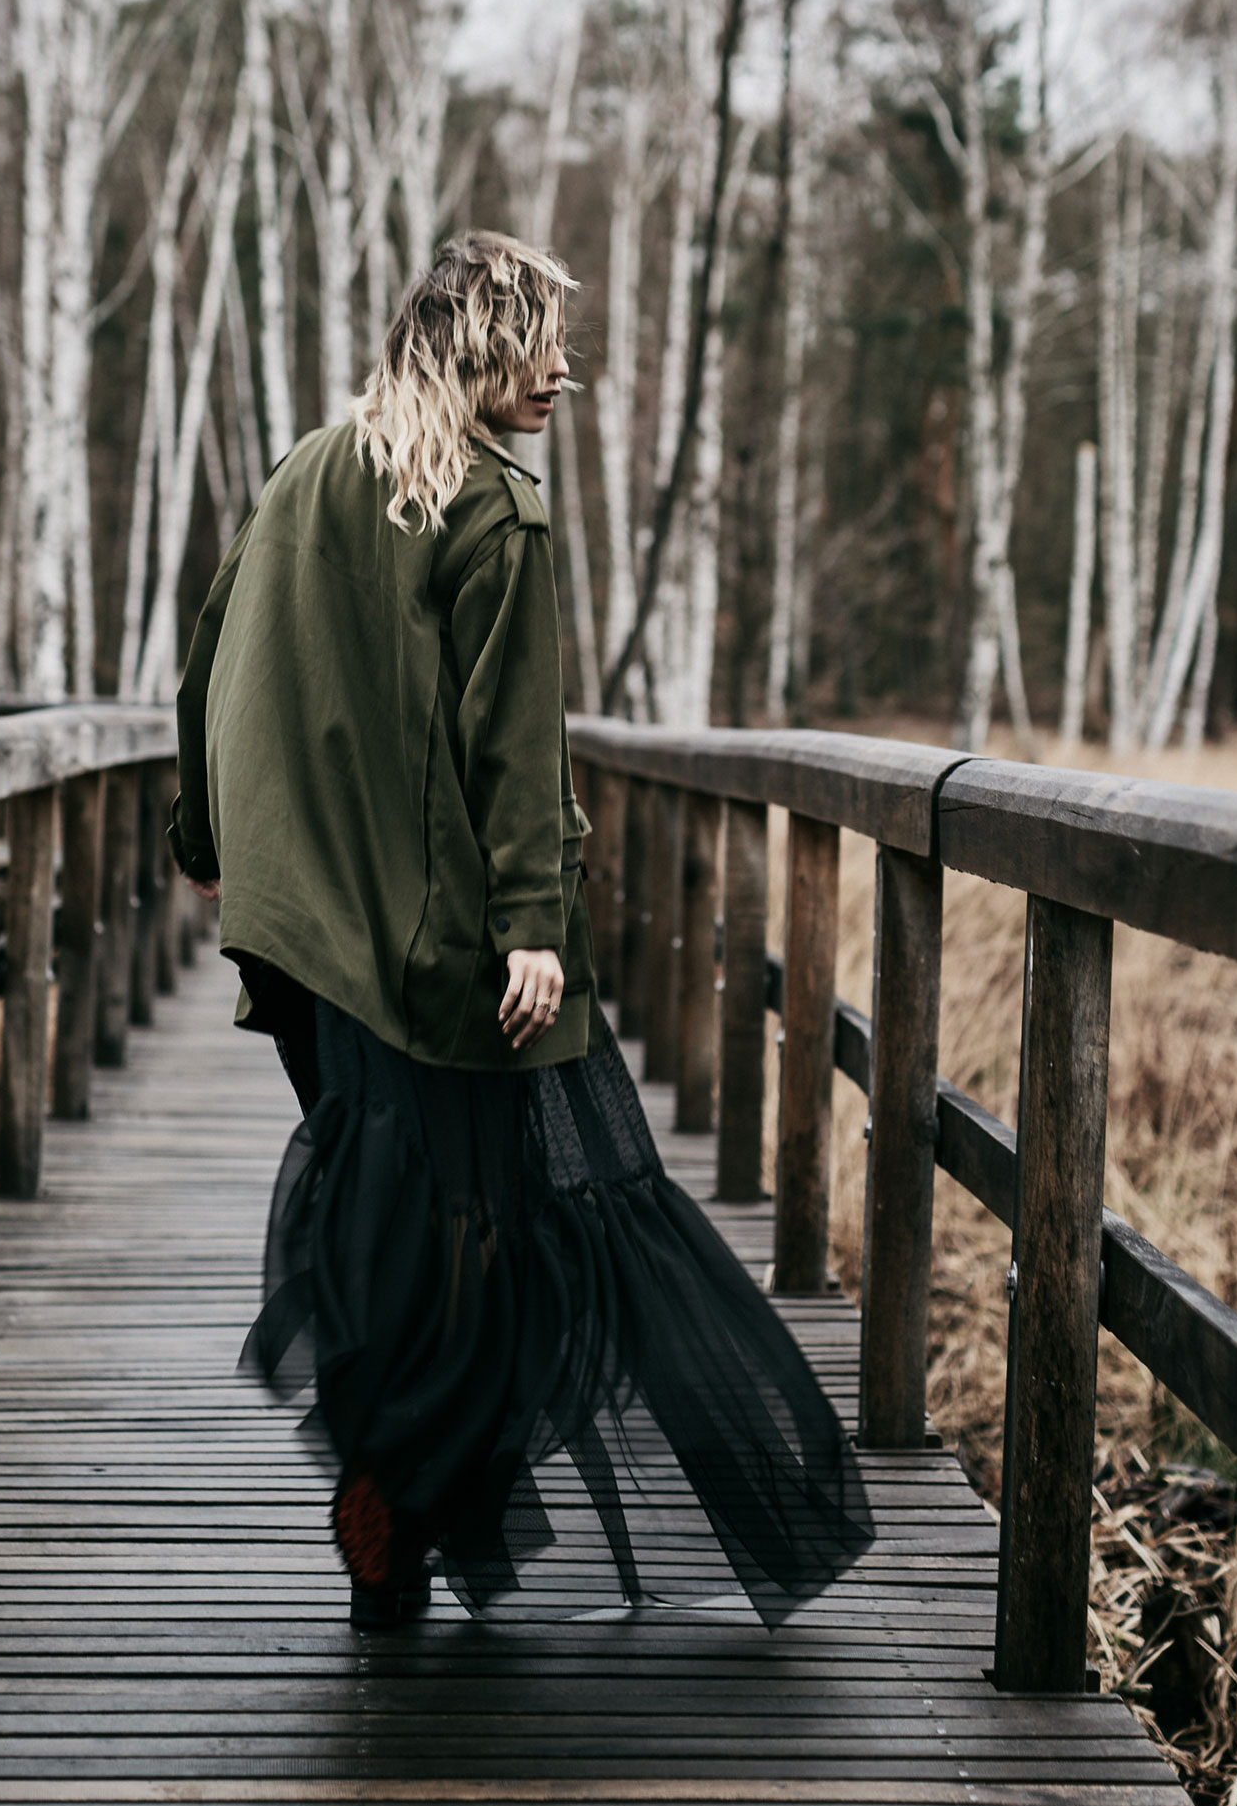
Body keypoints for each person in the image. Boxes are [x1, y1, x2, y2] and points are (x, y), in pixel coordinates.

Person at [169, 230, 871, 1630]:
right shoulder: (495, 508)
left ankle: (398, 1502)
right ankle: (409, 1486)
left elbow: (207, 656)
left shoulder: (311, 466)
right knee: (516, 1216)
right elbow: (511, 744)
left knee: (404, 1211)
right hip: (439, 947)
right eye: (541, 340)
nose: (565, 369)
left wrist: (204, 840)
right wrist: (537, 925)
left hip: (295, 929)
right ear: (481, 344)